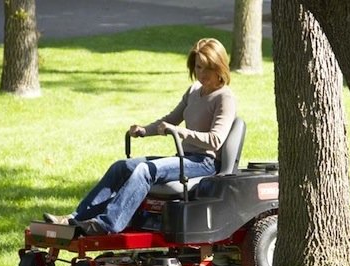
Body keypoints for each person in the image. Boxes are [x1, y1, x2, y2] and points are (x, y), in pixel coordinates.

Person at [43, 38, 236, 235]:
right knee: (121, 166)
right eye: (198, 67)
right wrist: (145, 130)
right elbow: (171, 119)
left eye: (206, 69)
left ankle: (106, 224)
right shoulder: (194, 90)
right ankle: (75, 218)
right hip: (184, 157)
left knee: (145, 170)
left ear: (219, 67)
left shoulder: (224, 97)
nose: (201, 74)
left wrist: (179, 132)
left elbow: (216, 139)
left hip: (204, 162)